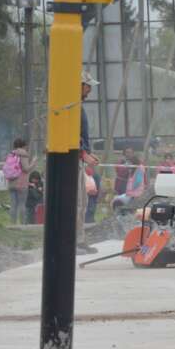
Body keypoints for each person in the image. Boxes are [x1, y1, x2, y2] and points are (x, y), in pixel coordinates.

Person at [78, 72, 101, 249]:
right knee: (76, 202)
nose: (90, 91)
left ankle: (78, 239)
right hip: (72, 160)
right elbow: (70, 135)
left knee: (82, 202)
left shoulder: (78, 107)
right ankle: (75, 241)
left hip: (77, 159)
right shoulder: (72, 108)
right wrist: (83, 153)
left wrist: (87, 153)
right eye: (88, 86)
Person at [4, 138, 33, 224]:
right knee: (22, 204)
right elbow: (26, 169)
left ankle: (13, 224)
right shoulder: (23, 154)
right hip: (21, 183)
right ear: (24, 146)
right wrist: (34, 163)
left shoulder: (11, 154)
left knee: (13, 205)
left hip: (11, 183)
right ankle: (22, 225)